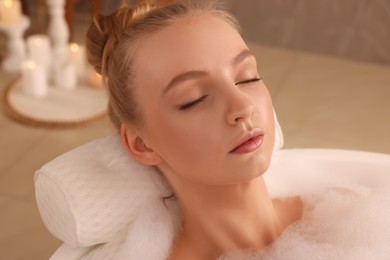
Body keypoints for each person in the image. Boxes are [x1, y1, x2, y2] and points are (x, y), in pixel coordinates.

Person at [86, 0, 302, 259]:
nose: (243, 106)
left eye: (248, 77)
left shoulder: (342, 212)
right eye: (194, 98)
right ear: (142, 144)